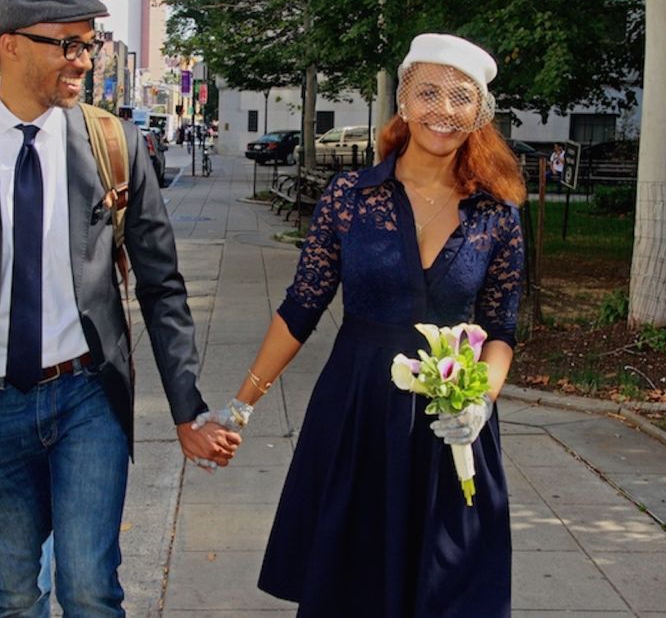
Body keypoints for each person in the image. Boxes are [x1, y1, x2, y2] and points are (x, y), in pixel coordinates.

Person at [0, 0, 240, 617]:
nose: (82, 60)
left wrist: (188, 408)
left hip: (86, 396)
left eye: (89, 45)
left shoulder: (115, 144)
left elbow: (162, 287)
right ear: (10, 45)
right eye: (67, 44)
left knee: (88, 587)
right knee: (17, 589)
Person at [197, 33, 526, 616]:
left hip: (450, 423)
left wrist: (482, 400)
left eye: (459, 97)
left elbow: (501, 328)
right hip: (356, 413)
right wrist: (240, 407)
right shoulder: (350, 196)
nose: (442, 111)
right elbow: (301, 307)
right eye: (428, 92)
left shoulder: (495, 213)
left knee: (449, 588)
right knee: (351, 589)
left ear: (479, 112)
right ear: (403, 100)